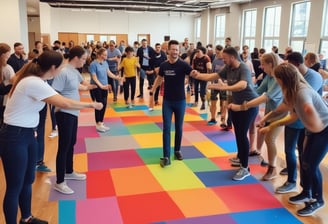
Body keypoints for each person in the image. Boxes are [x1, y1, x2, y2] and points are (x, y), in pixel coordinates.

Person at [0, 50, 103, 224]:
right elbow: (64, 102)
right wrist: (91, 104)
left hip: (26, 134)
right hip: (13, 137)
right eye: (60, 66)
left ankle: (26, 218)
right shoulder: (33, 82)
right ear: (53, 67)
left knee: (28, 180)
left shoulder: (39, 80)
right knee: (15, 186)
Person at [258, 63, 328, 217]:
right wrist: (271, 125)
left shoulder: (302, 92)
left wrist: (313, 126)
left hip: (324, 130)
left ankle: (318, 200)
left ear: (284, 79)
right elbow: (293, 115)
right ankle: (307, 193)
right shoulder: (292, 92)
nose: (276, 80)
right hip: (315, 131)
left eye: (277, 78)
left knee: (312, 165)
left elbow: (309, 110)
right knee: (306, 163)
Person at [191, 47, 259, 181]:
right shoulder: (228, 68)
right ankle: (241, 158)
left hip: (249, 105)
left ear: (232, 57)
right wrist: (197, 75)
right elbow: (214, 76)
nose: (223, 60)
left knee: (241, 134)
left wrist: (224, 87)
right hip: (237, 105)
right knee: (238, 134)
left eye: (224, 58)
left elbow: (242, 85)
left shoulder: (243, 68)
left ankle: (245, 168)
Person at [229, 52, 283, 180]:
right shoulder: (269, 77)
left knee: (271, 140)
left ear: (270, 64)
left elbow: (265, 97)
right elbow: (257, 91)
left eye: (263, 65)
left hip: (280, 113)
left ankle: (272, 168)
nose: (261, 67)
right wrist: (243, 91)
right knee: (264, 136)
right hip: (270, 112)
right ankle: (254, 155)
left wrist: (244, 106)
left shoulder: (277, 79)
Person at [274, 52, 323, 193]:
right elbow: (291, 110)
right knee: (298, 156)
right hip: (305, 125)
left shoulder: (306, 86)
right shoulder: (291, 87)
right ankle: (299, 187)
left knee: (308, 161)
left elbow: (306, 104)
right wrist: (270, 122)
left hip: (316, 127)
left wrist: (313, 121)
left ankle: (312, 194)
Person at [52, 46, 97, 194]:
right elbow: (55, 94)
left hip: (74, 113)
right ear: (76, 58)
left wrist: (97, 86)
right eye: (83, 59)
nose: (85, 62)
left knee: (71, 142)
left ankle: (69, 171)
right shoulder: (63, 71)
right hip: (64, 113)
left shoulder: (74, 71)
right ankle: (59, 181)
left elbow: (80, 86)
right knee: (64, 146)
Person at [149, 40, 194, 167]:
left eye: (177, 50)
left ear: (179, 51)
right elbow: (159, 78)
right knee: (166, 128)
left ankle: (177, 150)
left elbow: (192, 73)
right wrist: (153, 90)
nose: (175, 52)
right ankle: (166, 156)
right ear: (168, 51)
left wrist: (194, 76)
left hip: (180, 101)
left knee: (179, 127)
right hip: (167, 102)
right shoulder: (164, 66)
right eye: (172, 49)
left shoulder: (183, 65)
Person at [89, 47, 120, 132]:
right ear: (99, 55)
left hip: (104, 86)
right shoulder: (93, 64)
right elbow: (94, 77)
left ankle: (101, 122)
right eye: (104, 54)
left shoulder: (105, 63)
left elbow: (108, 73)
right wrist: (101, 86)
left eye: (106, 54)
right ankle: (98, 123)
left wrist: (117, 77)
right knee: (99, 105)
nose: (106, 56)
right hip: (96, 87)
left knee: (104, 104)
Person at [207, 44, 226, 126]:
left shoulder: (226, 61)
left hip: (224, 85)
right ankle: (213, 118)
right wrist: (211, 83)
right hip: (215, 84)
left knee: (223, 103)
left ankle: (223, 120)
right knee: (213, 101)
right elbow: (213, 72)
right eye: (216, 53)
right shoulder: (215, 61)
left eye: (219, 53)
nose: (217, 55)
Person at [0, 43, 15, 126]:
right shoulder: (7, 68)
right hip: (4, 99)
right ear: (3, 54)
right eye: (9, 52)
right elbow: (13, 81)